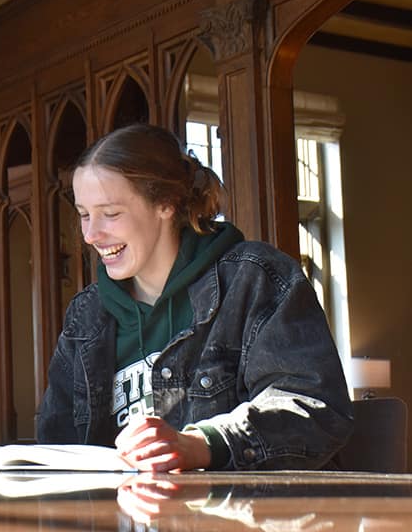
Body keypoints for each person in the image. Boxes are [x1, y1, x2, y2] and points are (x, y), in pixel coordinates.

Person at [36, 123, 352, 471]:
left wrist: (202, 444)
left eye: (110, 214)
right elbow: (57, 441)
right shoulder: (86, 315)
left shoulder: (254, 280)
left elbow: (313, 409)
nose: (91, 234)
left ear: (166, 204)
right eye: (84, 214)